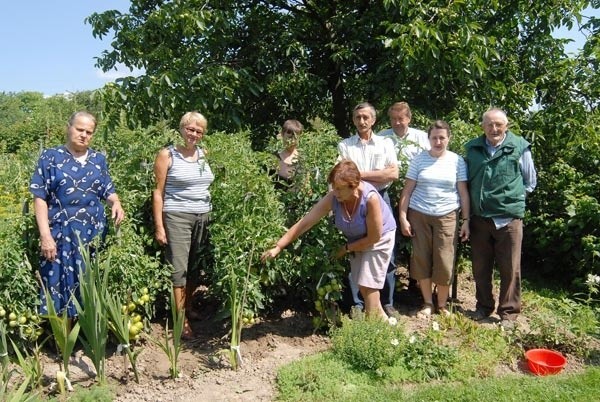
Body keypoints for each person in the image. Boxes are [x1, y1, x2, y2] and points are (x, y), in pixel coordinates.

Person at [261, 160, 396, 320]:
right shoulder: (334, 197)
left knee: (369, 285)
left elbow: (374, 238)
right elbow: (305, 222)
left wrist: (346, 248)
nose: (335, 192)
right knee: (363, 285)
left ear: (354, 185)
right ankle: (383, 324)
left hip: (379, 239)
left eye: (339, 189)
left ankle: (374, 330)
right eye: (333, 187)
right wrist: (279, 246)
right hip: (356, 239)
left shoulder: (369, 199)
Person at [30, 111, 125, 318]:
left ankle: (87, 339)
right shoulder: (50, 157)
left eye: (89, 132)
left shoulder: (98, 160)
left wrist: (116, 202)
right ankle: (64, 344)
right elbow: (39, 197)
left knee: (89, 285)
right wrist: (45, 236)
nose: (84, 135)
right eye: (79, 129)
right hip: (60, 235)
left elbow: (107, 190)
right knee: (59, 286)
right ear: (69, 127)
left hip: (93, 236)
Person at [465, 108, 537, 328]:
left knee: (510, 267)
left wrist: (509, 200)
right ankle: (483, 307)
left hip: (508, 220)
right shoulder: (472, 148)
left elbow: (530, 181)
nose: (494, 129)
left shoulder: (520, 147)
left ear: (507, 125)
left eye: (498, 124)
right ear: (482, 126)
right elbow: (466, 181)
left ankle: (508, 313)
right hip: (479, 218)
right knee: (480, 267)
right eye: (489, 124)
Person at [398, 120, 470, 318]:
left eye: (442, 138)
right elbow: (407, 191)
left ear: (449, 138)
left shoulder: (457, 161)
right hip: (419, 214)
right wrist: (403, 217)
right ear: (428, 139)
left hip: (447, 215)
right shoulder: (419, 160)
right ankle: (428, 303)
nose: (438, 141)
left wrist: (466, 220)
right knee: (421, 258)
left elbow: (463, 193)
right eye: (434, 138)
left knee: (445, 260)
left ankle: (442, 305)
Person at [153, 111, 215, 339]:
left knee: (194, 266)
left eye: (199, 131)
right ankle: (180, 320)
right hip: (177, 216)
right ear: (181, 129)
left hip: (203, 216)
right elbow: (158, 193)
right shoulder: (167, 155)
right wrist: (159, 226)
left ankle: (188, 306)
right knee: (178, 269)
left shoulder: (205, 154)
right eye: (190, 129)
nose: (194, 134)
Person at [337, 102, 399, 317]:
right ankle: (357, 305)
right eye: (357, 118)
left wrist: (357, 174)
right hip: (352, 199)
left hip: (381, 197)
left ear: (373, 120)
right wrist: (377, 173)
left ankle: (386, 303)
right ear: (353, 121)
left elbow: (392, 174)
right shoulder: (345, 145)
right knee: (356, 250)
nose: (361, 121)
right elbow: (343, 177)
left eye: (365, 117)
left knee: (386, 253)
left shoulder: (385, 143)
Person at [377, 102, 430, 169]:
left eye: (400, 119)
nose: (397, 123)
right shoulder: (381, 137)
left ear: (409, 119)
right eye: (394, 119)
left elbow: (430, 160)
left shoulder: (422, 137)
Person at [274, 119, 304, 183]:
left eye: (295, 138)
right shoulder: (274, 159)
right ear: (282, 134)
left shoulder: (303, 158)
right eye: (290, 137)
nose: (292, 141)